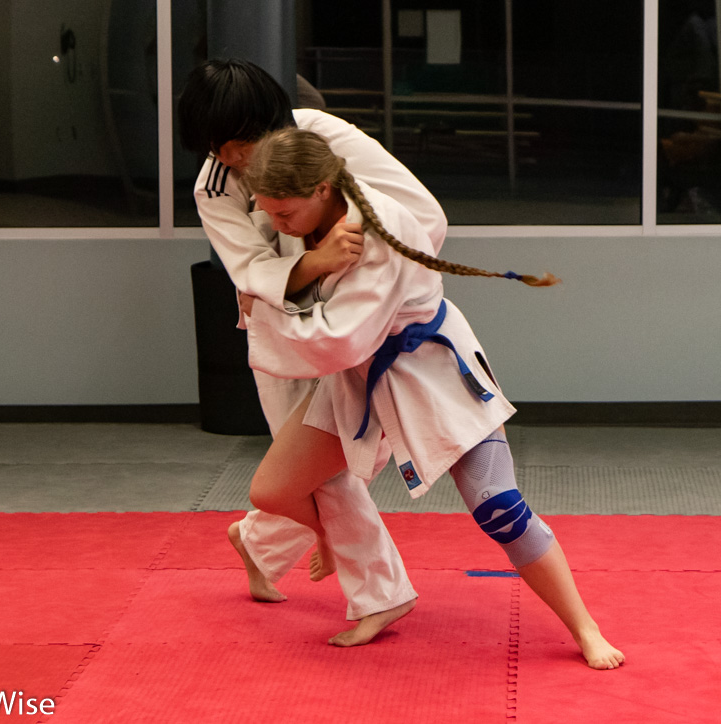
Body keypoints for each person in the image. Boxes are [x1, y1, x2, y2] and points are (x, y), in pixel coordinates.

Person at [239, 127, 624, 670]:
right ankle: (330, 538)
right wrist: (309, 264)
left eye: (284, 214)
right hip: (361, 375)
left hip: (433, 375)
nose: (276, 224)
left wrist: (288, 289)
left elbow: (337, 337)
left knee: (500, 509)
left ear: (323, 189)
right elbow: (265, 284)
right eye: (270, 214)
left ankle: (586, 629)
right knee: (273, 490)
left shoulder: (375, 231)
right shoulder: (300, 222)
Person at [178, 59, 447, 646]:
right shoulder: (215, 186)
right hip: (283, 329)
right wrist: (316, 264)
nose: (248, 156)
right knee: (329, 469)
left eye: (258, 137)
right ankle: (380, 596)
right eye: (234, 147)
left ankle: (258, 541)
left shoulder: (324, 135)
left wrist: (372, 282)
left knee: (346, 460)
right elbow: (249, 270)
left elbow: (424, 215)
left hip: (369, 315)